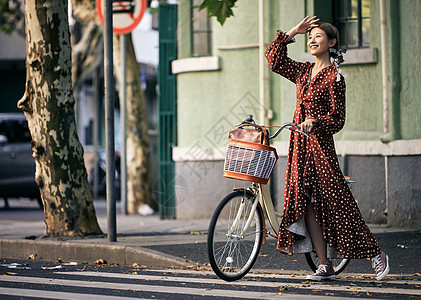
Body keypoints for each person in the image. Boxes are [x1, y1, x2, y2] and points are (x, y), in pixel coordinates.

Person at [265, 16, 390, 281]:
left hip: (320, 147)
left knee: (339, 202)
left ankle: (376, 253)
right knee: (306, 203)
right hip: (299, 147)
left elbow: (338, 119)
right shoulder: (302, 72)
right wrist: (293, 32)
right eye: (309, 36)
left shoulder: (335, 77)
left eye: (317, 36)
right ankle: (324, 264)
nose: (311, 39)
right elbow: (274, 59)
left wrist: (316, 123)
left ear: (331, 42)